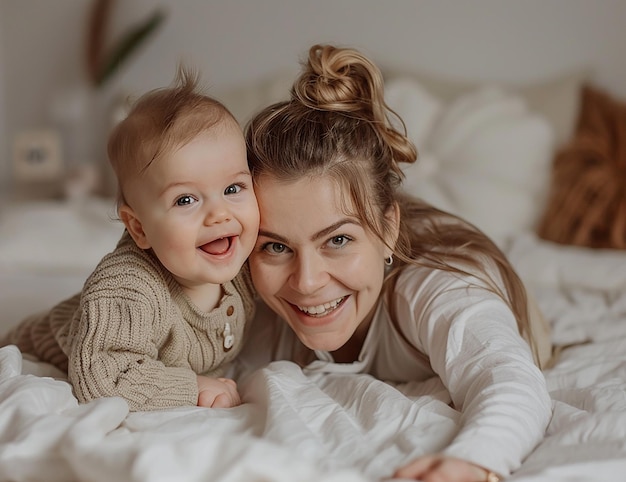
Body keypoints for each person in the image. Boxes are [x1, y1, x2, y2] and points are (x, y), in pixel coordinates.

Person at [243, 44, 552, 482]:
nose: (307, 282)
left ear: (388, 230)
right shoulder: (246, 285)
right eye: (275, 247)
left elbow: (507, 377)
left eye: (337, 240)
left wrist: (472, 462)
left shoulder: (435, 287)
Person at [1, 67, 259, 412]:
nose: (219, 214)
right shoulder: (127, 288)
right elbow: (104, 376)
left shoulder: (244, 262)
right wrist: (191, 387)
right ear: (138, 228)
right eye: (185, 200)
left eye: (233, 189)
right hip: (35, 345)